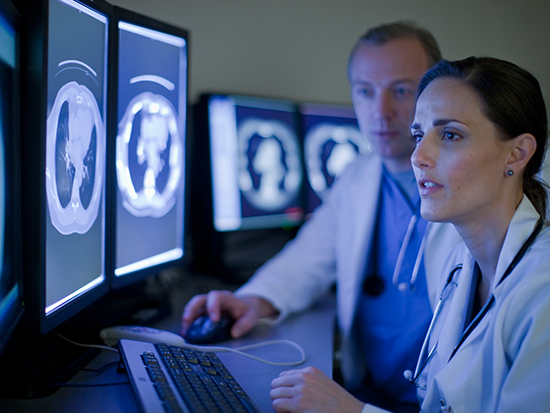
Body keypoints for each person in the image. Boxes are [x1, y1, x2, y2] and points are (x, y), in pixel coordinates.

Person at [182, 22, 460, 413]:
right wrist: (250, 301)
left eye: (401, 90)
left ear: (434, 91)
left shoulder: (470, 187)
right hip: (373, 392)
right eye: (365, 91)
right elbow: (306, 259)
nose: (380, 112)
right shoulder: (358, 177)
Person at [404, 57, 550, 412]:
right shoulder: (461, 262)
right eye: (418, 135)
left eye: (450, 134)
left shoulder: (543, 290)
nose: (418, 156)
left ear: (517, 154)